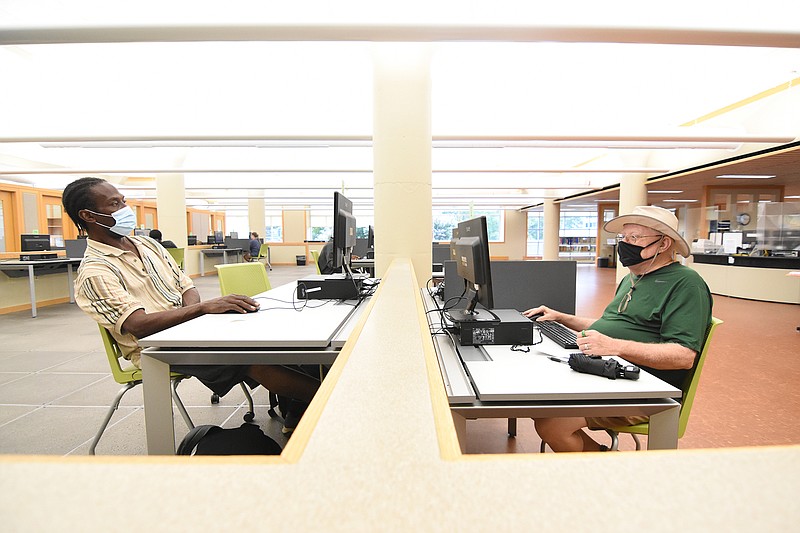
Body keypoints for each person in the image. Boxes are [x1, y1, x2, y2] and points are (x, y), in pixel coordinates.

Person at [62, 177, 319, 433]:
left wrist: (196, 315)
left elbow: (186, 286)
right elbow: (138, 326)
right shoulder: (96, 272)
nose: (125, 209)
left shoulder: (147, 245)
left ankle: (298, 409)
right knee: (249, 357)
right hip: (156, 348)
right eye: (114, 204)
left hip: (189, 328)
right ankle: (334, 400)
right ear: (89, 216)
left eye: (124, 201)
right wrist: (200, 310)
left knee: (281, 336)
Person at [523, 205, 712, 452]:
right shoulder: (632, 278)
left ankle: (611, 473)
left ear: (663, 244)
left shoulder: (686, 284)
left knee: (552, 424)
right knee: (537, 404)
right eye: (623, 238)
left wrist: (615, 347)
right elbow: (610, 326)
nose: (625, 245)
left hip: (646, 388)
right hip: (608, 373)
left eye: (634, 238)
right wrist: (561, 317)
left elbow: (683, 356)